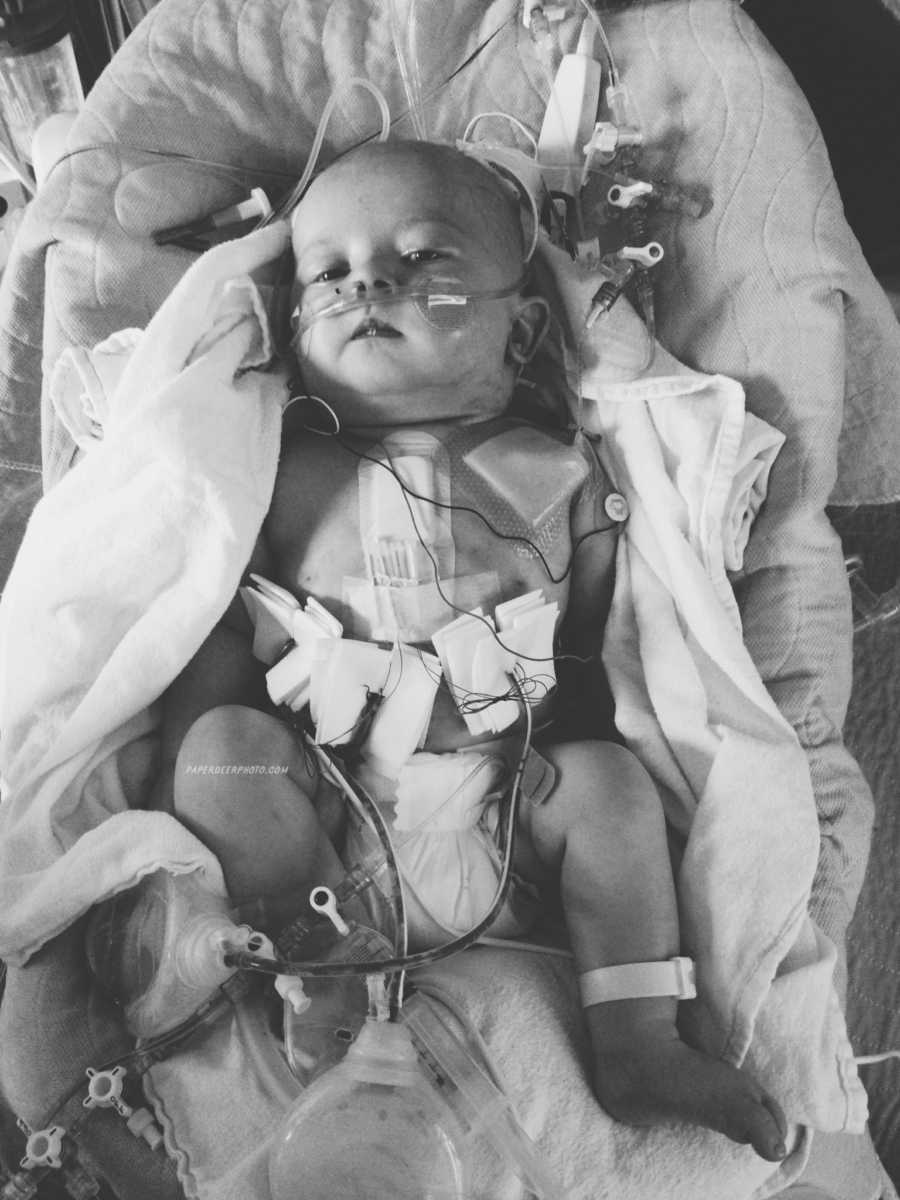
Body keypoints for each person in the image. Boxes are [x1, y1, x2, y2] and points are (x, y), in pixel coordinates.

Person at [157, 138, 788, 1162]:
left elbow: (600, 646)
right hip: (326, 798)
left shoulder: (559, 468)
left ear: (523, 327)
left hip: (504, 796)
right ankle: (327, 976)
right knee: (220, 751)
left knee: (609, 786)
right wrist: (199, 750)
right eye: (331, 272)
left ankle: (637, 1036)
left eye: (426, 260)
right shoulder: (280, 469)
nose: (370, 281)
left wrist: (571, 729)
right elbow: (214, 619)